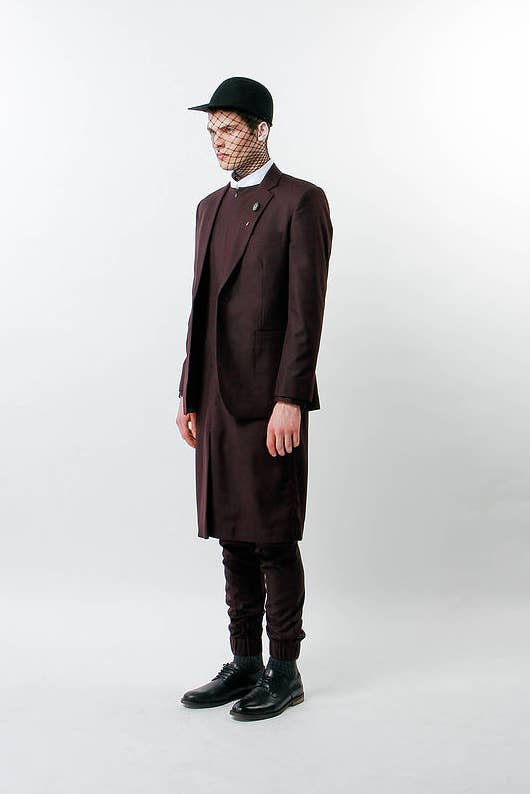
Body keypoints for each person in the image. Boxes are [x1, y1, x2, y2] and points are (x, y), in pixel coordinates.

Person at [176, 76, 333, 721]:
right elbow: (200, 306)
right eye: (211, 131)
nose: (218, 142)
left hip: (270, 399)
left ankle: (285, 671)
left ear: (262, 130)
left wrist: (291, 397)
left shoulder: (301, 201)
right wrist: (188, 391)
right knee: (232, 536)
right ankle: (243, 662)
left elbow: (305, 311)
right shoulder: (208, 207)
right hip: (215, 396)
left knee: (272, 536)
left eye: (230, 130)